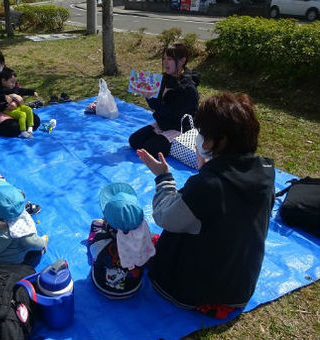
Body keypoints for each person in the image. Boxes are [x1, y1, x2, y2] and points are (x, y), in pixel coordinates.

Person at [137, 92, 275, 318]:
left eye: (202, 133)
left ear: (221, 140)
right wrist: (208, 168)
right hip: (240, 287)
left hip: (194, 291)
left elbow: (164, 217)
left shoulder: (208, 185)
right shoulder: (265, 172)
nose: (198, 137)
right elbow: (229, 210)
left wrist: (163, 178)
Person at [129, 43, 200, 158]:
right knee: (134, 141)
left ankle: (169, 143)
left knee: (147, 150)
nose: (165, 62)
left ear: (182, 61)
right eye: (164, 59)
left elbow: (170, 112)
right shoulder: (164, 78)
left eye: (170, 59)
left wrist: (151, 99)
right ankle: (161, 139)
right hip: (163, 123)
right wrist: (149, 96)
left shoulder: (188, 88)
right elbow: (158, 107)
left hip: (179, 128)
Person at [87, 183, 156, 299]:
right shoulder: (145, 241)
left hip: (102, 285)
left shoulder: (101, 243)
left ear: (108, 223)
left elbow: (93, 248)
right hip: (133, 287)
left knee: (95, 224)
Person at [0, 178, 48, 266]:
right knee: (37, 251)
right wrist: (43, 241)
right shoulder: (20, 231)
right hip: (15, 264)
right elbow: (36, 243)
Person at [0, 48, 41, 137]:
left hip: (12, 108)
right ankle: (7, 123)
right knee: (12, 128)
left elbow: (16, 87)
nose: (0, 67)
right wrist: (5, 97)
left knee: (35, 121)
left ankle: (18, 122)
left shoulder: (5, 71)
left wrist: (15, 102)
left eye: (1, 64)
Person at [0, 67, 38, 138]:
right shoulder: (0, 90)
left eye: (15, 82)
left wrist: (32, 92)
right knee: (22, 114)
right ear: (3, 81)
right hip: (7, 110)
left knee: (28, 109)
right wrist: (7, 104)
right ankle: (23, 131)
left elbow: (22, 91)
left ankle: (30, 128)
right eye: (11, 82)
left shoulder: (14, 87)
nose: (14, 84)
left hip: (17, 107)